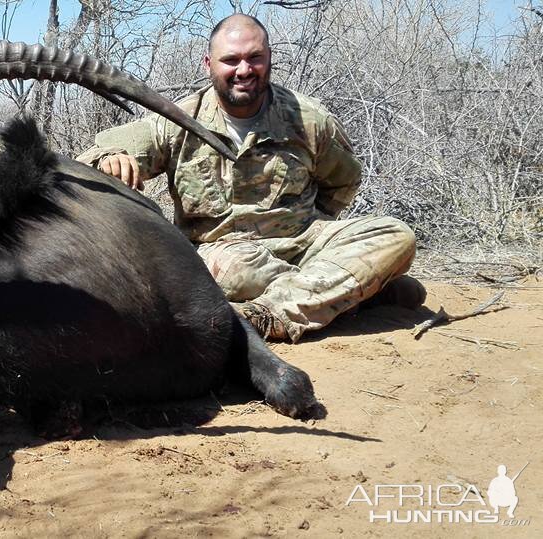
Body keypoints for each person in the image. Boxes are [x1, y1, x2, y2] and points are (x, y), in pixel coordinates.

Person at [76, 14, 424, 342]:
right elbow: (96, 155)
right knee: (235, 270)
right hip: (222, 254)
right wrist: (109, 158)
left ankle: (270, 314)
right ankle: (349, 293)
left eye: (254, 58)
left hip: (303, 244)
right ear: (208, 64)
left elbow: (344, 180)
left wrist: (315, 228)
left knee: (395, 234)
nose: (244, 70)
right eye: (231, 60)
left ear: (269, 59)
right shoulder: (177, 120)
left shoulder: (310, 119)